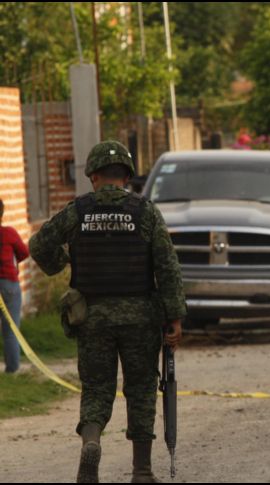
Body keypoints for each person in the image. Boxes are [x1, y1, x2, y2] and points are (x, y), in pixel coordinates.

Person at [29, 141, 186, 483]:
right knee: (141, 389)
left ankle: (91, 442)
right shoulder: (145, 212)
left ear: (94, 176)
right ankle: (142, 472)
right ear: (127, 177)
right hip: (141, 318)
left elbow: (39, 245)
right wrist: (174, 317)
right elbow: (167, 267)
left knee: (97, 387)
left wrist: (64, 262)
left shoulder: (78, 211)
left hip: (92, 318)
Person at [0, 198, 30, 373]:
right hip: (9, 283)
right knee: (11, 329)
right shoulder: (9, 233)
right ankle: (12, 369)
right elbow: (24, 253)